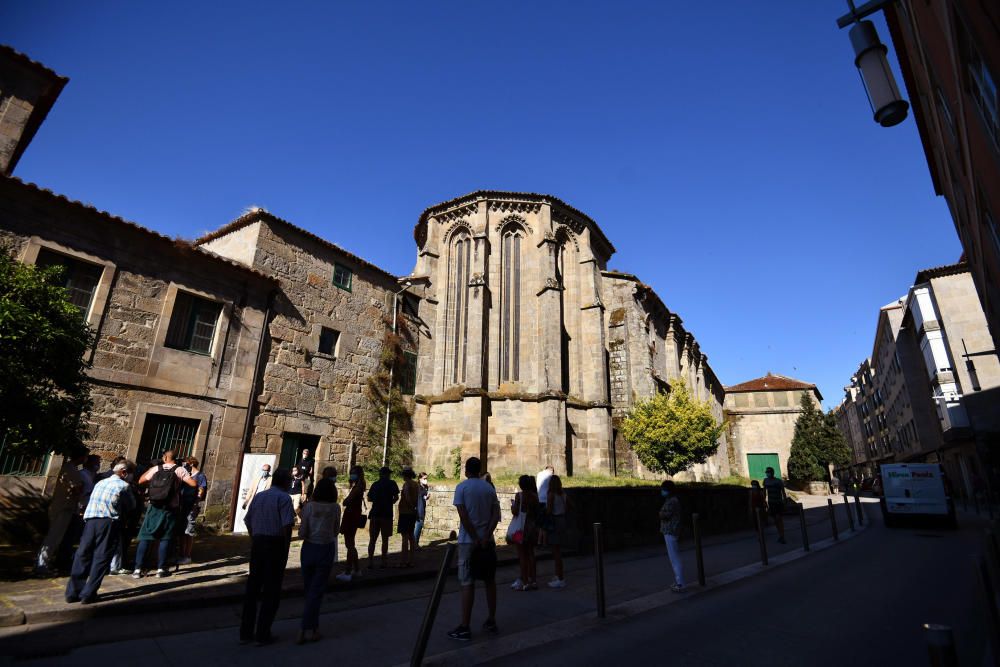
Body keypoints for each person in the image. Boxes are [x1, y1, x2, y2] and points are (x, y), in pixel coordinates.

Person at [65, 461, 135, 604]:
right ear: (124, 472)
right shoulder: (124, 486)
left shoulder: (100, 482)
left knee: (83, 554)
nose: (131, 477)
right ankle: (88, 594)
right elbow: (131, 505)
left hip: (91, 520)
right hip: (108, 522)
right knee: (101, 557)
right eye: (130, 473)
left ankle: (73, 592)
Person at [447, 457, 500, 642]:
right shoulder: (489, 488)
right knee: (489, 581)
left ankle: (465, 626)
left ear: (466, 470)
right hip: (488, 542)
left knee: (467, 583)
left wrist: (476, 538)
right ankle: (491, 620)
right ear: (479, 470)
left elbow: (464, 516)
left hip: (468, 543)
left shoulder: (462, 487)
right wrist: (486, 536)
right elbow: (496, 515)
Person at [241, 468, 295, 645]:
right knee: (271, 590)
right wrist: (286, 548)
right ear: (286, 482)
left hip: (258, 542)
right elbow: (287, 526)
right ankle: (263, 634)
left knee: (253, 588)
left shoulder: (260, 496)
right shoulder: (284, 498)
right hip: (275, 544)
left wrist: (254, 537)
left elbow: (247, 520)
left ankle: (245, 633)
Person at [132, 450, 198, 578]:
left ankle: (137, 569)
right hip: (170, 508)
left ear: (165, 457)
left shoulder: (156, 468)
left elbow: (140, 480)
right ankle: (161, 569)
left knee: (146, 536)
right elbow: (193, 484)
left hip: (154, 506)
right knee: (165, 537)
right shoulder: (180, 470)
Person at [298, 477, 340, 644]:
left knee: (310, 590)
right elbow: (336, 530)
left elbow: (302, 532)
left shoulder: (309, 507)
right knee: (316, 591)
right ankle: (304, 629)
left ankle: (312, 629)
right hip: (326, 548)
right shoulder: (335, 508)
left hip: (308, 548)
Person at [36, 447, 87, 576]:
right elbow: (76, 489)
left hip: (64, 506)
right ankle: (41, 566)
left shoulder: (70, 468)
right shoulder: (71, 470)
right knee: (53, 537)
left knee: (55, 537)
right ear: (81, 457)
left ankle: (44, 564)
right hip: (63, 507)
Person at [336, 465, 365, 582]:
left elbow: (347, 501)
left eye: (353, 473)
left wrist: (345, 501)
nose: (351, 475)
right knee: (351, 543)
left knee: (350, 545)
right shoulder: (359, 486)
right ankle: (357, 569)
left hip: (351, 516)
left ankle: (348, 571)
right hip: (353, 515)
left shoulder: (357, 488)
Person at [510, 474, 540, 591]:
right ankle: (533, 580)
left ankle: (525, 580)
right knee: (531, 554)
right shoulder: (534, 496)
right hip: (532, 527)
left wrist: (512, 506)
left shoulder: (519, 496)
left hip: (520, 529)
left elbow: (516, 512)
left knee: (522, 555)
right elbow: (537, 512)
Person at [366, 466, 399, 569]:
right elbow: (396, 497)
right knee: (385, 540)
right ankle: (383, 562)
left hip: (375, 514)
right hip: (386, 515)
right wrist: (391, 502)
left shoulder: (375, 485)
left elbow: (369, 498)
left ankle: (370, 562)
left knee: (372, 539)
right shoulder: (392, 483)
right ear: (387, 474)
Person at [178, 456, 207, 565]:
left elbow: (201, 491)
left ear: (190, 464)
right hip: (181, 505)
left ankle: (187, 555)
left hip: (191, 506)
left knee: (188, 530)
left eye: (184, 463)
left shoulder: (200, 476)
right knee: (181, 530)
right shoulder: (185, 475)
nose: (183, 465)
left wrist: (195, 503)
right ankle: (181, 553)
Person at [659, 480, 684, 593]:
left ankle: (680, 583)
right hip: (671, 530)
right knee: (674, 557)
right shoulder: (672, 500)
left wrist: (660, 514)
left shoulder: (672, 501)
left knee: (674, 558)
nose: (662, 491)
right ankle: (678, 581)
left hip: (670, 530)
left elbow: (665, 515)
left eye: (663, 489)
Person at [544, 474, 569, 588]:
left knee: (556, 552)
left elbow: (548, 511)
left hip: (555, 521)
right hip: (562, 520)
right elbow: (570, 506)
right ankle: (557, 575)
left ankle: (560, 578)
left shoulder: (551, 495)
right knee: (558, 551)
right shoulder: (563, 494)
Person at [397, 467, 419, 567]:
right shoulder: (416, 484)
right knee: (411, 537)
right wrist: (414, 508)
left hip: (406, 512)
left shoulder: (407, 484)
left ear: (405, 475)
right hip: (412, 513)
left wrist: (411, 506)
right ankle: (412, 560)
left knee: (405, 537)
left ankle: (403, 561)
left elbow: (407, 497)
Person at [763, 466, 787, 544]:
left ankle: (782, 536)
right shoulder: (765, 481)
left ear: (772, 472)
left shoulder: (778, 481)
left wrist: (785, 501)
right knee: (775, 520)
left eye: (769, 472)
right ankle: (780, 534)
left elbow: (783, 492)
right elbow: (764, 492)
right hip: (771, 502)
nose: (768, 473)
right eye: (767, 472)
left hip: (778, 502)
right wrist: (764, 501)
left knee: (779, 518)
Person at [414, 472, 430, 547]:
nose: (426, 480)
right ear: (420, 479)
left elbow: (423, 496)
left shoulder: (425, 487)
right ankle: (414, 544)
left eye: (426, 478)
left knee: (419, 527)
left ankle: (415, 544)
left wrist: (426, 497)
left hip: (422, 508)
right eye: (424, 478)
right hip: (418, 510)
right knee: (418, 527)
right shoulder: (417, 487)